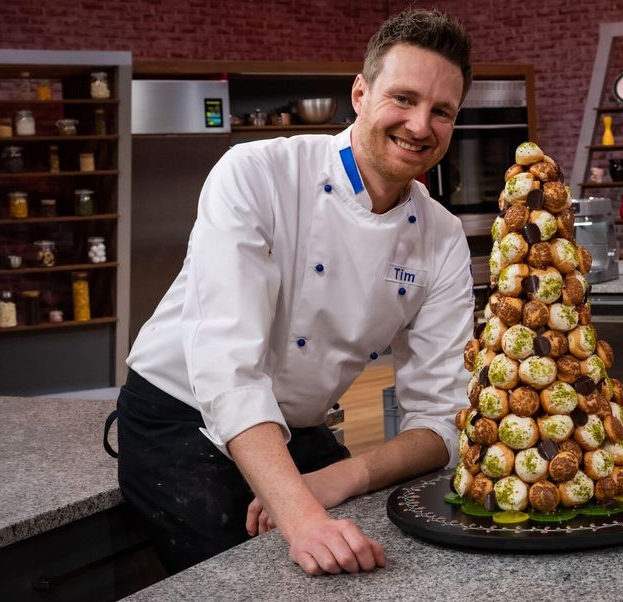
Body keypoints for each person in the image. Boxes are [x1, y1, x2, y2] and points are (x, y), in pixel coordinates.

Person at [111, 8, 475, 576]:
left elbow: (443, 417)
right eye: (403, 98)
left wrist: (339, 476)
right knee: (262, 581)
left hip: (301, 431)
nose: (420, 125)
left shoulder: (443, 238)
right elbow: (228, 368)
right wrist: (304, 518)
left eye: (442, 111)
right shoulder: (257, 173)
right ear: (360, 93)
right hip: (180, 424)